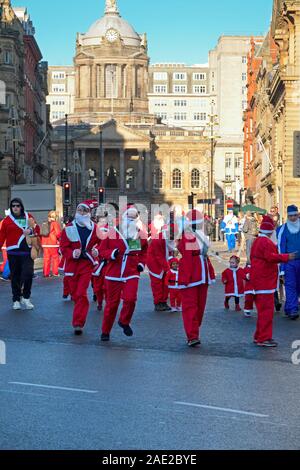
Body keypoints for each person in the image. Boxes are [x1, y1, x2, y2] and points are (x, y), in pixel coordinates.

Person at [99, 206, 148, 342]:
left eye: (134, 217)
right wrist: (111, 254)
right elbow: (102, 250)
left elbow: (144, 251)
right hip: (114, 271)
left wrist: (141, 264)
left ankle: (124, 321)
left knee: (130, 299)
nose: (131, 219)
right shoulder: (112, 232)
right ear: (123, 217)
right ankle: (105, 331)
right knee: (112, 304)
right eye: (129, 216)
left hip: (132, 270)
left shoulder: (140, 234)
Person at [250, 215, 297, 347]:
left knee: (263, 311)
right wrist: (287, 256)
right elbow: (271, 257)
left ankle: (259, 335)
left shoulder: (258, 241)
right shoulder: (265, 242)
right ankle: (263, 338)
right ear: (271, 231)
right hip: (264, 281)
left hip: (260, 280)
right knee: (266, 311)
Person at [59, 202, 101, 335]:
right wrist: (71, 253)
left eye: (85, 211)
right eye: (79, 210)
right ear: (76, 212)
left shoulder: (95, 228)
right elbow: (63, 247)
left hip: (86, 264)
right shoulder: (69, 228)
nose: (82, 213)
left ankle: (78, 323)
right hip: (72, 264)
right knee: (75, 294)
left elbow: (102, 243)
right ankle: (79, 316)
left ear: (89, 213)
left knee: (82, 293)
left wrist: (96, 250)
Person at [177, 209, 216, 347]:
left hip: (202, 274)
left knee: (200, 307)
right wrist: (185, 278)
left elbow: (205, 256)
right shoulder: (186, 236)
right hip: (191, 275)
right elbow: (186, 255)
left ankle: (194, 330)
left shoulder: (202, 235)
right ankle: (192, 335)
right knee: (190, 307)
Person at [0, 198, 40, 310]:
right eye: (13, 206)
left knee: (28, 274)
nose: (15, 208)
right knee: (15, 277)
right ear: (11, 207)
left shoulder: (28, 216)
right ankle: (16, 299)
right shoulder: (7, 220)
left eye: (18, 205)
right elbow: (1, 236)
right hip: (13, 252)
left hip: (27, 252)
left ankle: (26, 298)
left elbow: (37, 229)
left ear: (21, 206)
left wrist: (31, 231)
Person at [277, 205, 300, 320]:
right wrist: (282, 267)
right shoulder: (282, 229)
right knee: (290, 285)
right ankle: (293, 309)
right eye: (290, 216)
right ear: (287, 216)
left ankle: (289, 306)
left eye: (295, 215)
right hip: (289, 262)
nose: (293, 218)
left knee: (298, 286)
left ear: (298, 215)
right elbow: (280, 248)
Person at [147, 221, 173, 312]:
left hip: (162, 262)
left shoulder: (167, 239)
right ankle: (158, 303)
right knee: (157, 284)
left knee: (165, 283)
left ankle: (163, 301)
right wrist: (167, 268)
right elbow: (159, 256)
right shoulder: (158, 239)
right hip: (154, 264)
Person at [40, 211, 62, 278]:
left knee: (46, 258)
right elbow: (58, 234)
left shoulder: (44, 223)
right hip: (53, 243)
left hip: (45, 243)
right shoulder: (55, 223)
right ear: (55, 217)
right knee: (55, 258)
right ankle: (55, 272)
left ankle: (46, 273)